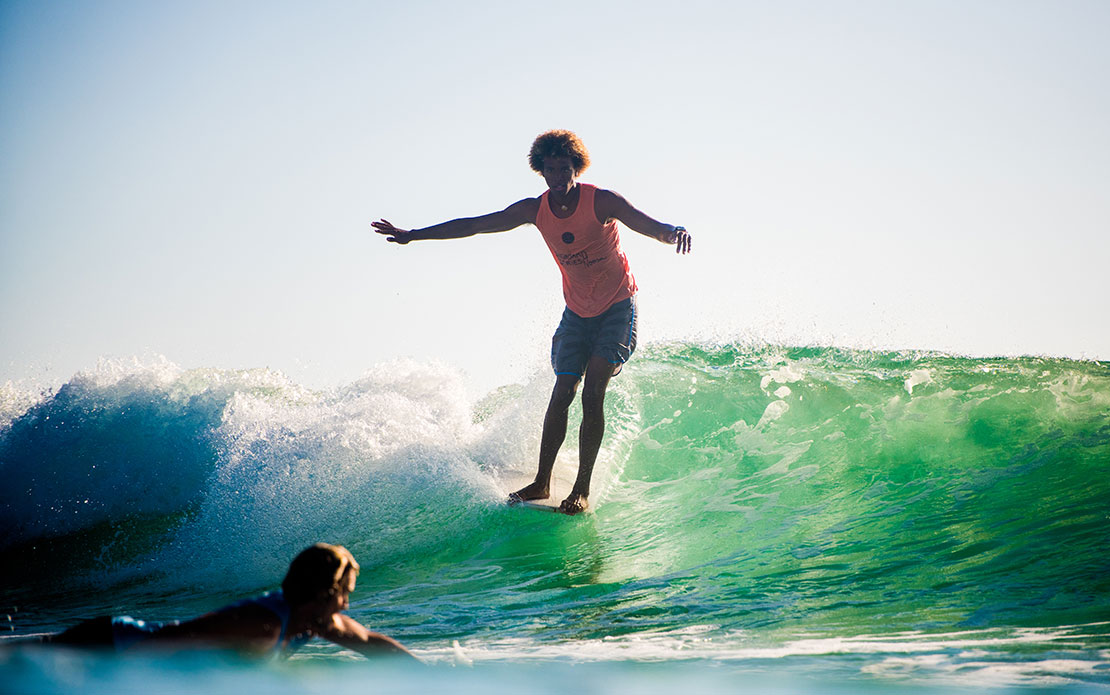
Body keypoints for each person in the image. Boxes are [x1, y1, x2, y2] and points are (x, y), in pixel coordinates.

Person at [372, 130, 691, 515]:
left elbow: (647, 224)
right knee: (563, 391)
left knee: (593, 395)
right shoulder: (534, 210)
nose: (558, 177)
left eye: (565, 168)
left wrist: (672, 232)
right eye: (550, 169)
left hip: (617, 309)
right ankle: (542, 482)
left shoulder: (601, 201)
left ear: (577, 167)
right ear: (540, 171)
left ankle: (581, 489)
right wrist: (414, 235)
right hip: (576, 313)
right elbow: (475, 224)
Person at [44, 543, 417, 659]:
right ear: (324, 592)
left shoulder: (315, 622)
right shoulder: (260, 624)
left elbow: (371, 643)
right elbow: (169, 642)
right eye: (345, 594)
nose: (346, 606)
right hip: (108, 643)